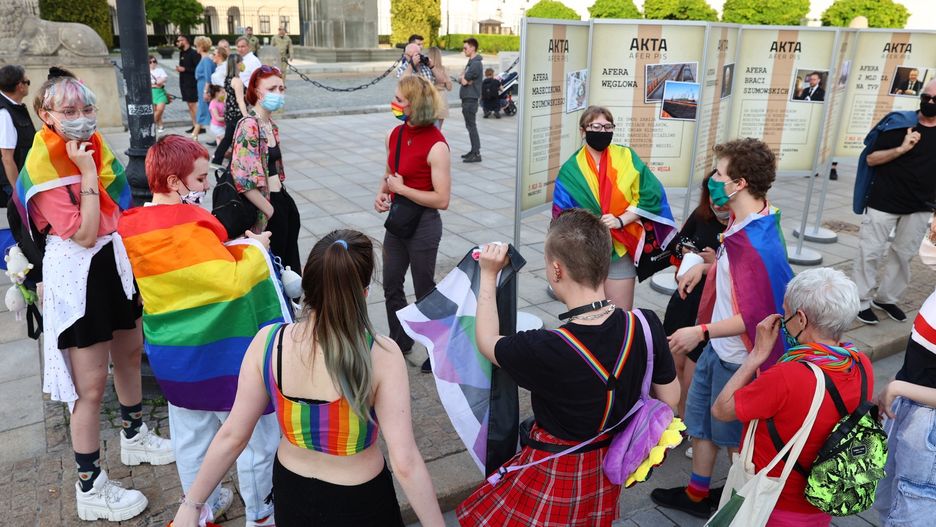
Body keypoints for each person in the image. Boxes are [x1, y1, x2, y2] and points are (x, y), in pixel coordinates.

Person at [171, 229, 446, 527]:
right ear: (364, 292)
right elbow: (404, 462)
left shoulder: (269, 342)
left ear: (306, 280)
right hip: (359, 499)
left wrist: (192, 504)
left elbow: (233, 435)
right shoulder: (381, 353)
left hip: (292, 492)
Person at [457, 209, 680, 526]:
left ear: (557, 270)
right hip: (608, 466)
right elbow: (670, 399)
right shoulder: (645, 324)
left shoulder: (545, 347)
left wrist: (489, 275)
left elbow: (487, 340)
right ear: (603, 264)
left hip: (557, 468)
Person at [18, 71, 174, 522]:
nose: (82, 119)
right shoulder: (44, 167)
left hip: (112, 265)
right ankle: (89, 484)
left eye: (87, 109)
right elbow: (84, 233)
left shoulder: (95, 148)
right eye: (69, 112)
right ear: (46, 115)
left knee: (129, 353)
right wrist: (86, 172)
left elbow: (119, 212)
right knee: (88, 388)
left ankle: (134, 435)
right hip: (77, 274)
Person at [118, 135, 286, 527]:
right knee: (253, 438)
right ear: (175, 183)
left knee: (190, 438)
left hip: (174, 356)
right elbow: (227, 281)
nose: (207, 184)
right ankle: (261, 515)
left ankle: (199, 511)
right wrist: (257, 248)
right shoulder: (191, 225)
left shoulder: (132, 226)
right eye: (198, 178)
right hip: (226, 357)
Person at [651, 138, 794, 518]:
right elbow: (737, 275)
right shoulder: (744, 222)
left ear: (739, 183)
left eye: (719, 173)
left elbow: (758, 317)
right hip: (720, 351)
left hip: (740, 359)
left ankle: (741, 506)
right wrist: (704, 266)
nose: (713, 179)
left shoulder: (758, 241)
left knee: (736, 439)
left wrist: (701, 332)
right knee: (699, 423)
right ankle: (698, 495)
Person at [711, 268, 872, 527]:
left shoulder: (787, 376)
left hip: (773, 504)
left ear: (801, 319)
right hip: (822, 501)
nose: (783, 320)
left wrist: (757, 354)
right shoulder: (860, 363)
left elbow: (722, 409)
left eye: (785, 313)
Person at [551, 106, 677, 312]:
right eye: (596, 126)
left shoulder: (626, 156)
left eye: (608, 127)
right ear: (583, 131)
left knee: (620, 313)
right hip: (586, 253)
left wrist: (622, 220)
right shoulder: (570, 169)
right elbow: (561, 217)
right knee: (590, 315)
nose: (602, 132)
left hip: (621, 249)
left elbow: (651, 193)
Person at [373, 75, 451, 374]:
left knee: (425, 290)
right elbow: (390, 172)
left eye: (400, 100)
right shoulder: (394, 134)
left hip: (424, 226)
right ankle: (400, 340)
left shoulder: (437, 145)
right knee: (391, 284)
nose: (395, 103)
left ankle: (438, 347)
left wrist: (401, 190)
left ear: (415, 105)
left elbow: (442, 199)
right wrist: (382, 194)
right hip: (399, 222)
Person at [852, 80, 936, 325]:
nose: (929, 103)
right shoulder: (899, 124)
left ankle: (887, 298)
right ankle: (860, 301)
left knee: (904, 255)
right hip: (883, 201)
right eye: (925, 97)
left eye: (935, 99)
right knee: (870, 252)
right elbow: (871, 159)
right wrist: (902, 148)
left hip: (921, 205)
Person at [874, 219, 936, 526]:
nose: (931, 226)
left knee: (909, 513)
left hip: (927, 431)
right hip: (911, 417)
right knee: (892, 504)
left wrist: (899, 389)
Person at [663, 172, 729, 420]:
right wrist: (690, 254)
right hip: (685, 300)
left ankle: (691, 422)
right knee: (673, 365)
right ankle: (676, 419)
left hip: (712, 309)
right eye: (712, 195)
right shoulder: (702, 216)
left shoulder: (741, 228)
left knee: (694, 372)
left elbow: (742, 274)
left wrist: (716, 263)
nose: (717, 203)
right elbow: (679, 243)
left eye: (722, 197)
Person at [230, 65, 301, 273]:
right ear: (257, 92)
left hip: (281, 199)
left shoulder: (270, 124)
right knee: (276, 270)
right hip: (267, 208)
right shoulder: (249, 125)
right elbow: (243, 181)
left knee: (290, 267)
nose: (278, 93)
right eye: (272, 89)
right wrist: (271, 211)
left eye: (281, 88)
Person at [0, 64, 34, 201]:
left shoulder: (14, 107)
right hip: (14, 183)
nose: (28, 86)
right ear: (20, 86)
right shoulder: (4, 113)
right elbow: (7, 158)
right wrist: (18, 193)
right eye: (27, 82)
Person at [211, 52, 246, 167]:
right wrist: (246, 115)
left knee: (228, 138)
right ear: (236, 64)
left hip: (229, 113)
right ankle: (237, 163)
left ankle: (217, 160)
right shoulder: (237, 81)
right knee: (238, 140)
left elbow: (227, 97)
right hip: (237, 114)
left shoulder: (228, 79)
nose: (243, 64)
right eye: (241, 62)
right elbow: (240, 100)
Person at [459, 37, 483, 163]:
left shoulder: (475, 64)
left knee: (471, 126)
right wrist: (463, 78)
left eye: (465, 48)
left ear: (473, 48)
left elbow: (463, 80)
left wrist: (464, 78)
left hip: (470, 98)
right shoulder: (471, 62)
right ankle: (473, 150)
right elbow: (462, 78)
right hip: (467, 97)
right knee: (470, 126)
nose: (464, 50)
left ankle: (476, 153)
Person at [192, 36, 216, 141]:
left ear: (201, 46)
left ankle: (194, 134)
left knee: (203, 109)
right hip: (201, 86)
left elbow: (208, 77)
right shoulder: (205, 58)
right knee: (205, 110)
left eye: (197, 45)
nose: (196, 47)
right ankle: (195, 134)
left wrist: (206, 91)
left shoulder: (206, 59)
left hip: (203, 87)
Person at [176, 35, 200, 134]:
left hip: (192, 83)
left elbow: (198, 70)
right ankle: (194, 125)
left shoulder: (194, 53)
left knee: (193, 105)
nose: (177, 42)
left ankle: (199, 126)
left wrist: (185, 69)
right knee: (189, 105)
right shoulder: (182, 52)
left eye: (179, 40)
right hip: (184, 82)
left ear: (185, 41)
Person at [426, 46, 451, 129]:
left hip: (432, 98)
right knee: (438, 129)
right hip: (442, 98)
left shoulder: (426, 69)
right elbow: (449, 87)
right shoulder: (443, 69)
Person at [149, 55, 169, 134]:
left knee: (160, 109)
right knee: (155, 111)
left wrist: (155, 83)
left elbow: (164, 79)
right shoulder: (145, 72)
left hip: (160, 92)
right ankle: (160, 125)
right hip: (151, 92)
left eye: (154, 61)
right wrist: (156, 83)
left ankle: (151, 124)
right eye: (150, 62)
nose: (152, 63)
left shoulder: (160, 70)